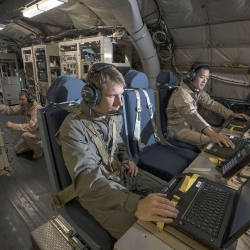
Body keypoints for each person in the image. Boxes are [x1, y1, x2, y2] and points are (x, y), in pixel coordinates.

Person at [55, 63, 179, 239]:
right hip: (97, 190)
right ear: (92, 96)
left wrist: (126, 159)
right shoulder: (72, 128)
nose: (120, 103)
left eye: (121, 95)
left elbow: (119, 144)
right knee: (150, 238)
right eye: (113, 96)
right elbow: (87, 176)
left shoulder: (112, 115)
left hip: (122, 173)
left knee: (173, 198)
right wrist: (135, 205)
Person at [166, 62, 250, 150]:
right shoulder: (181, 94)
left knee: (229, 135)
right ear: (191, 76)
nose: (205, 81)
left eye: (207, 78)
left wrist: (232, 114)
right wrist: (212, 134)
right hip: (179, 130)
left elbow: (211, 103)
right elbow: (191, 113)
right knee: (215, 141)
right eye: (202, 77)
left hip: (193, 126)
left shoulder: (195, 91)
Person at [0, 89, 43, 160]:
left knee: (26, 135)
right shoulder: (25, 107)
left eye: (23, 99)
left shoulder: (37, 110)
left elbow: (31, 127)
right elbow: (11, 110)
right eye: (20, 99)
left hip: (38, 133)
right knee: (17, 150)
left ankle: (39, 149)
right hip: (31, 133)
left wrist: (12, 125)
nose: (21, 102)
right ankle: (33, 145)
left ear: (30, 99)